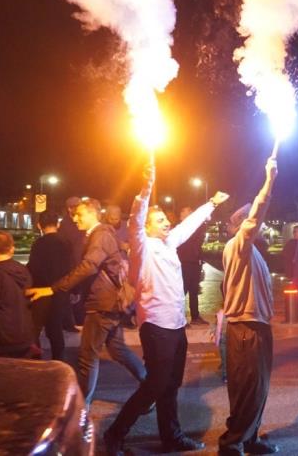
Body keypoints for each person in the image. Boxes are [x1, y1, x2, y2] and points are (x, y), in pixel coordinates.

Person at [104, 162, 227, 455]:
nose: (166, 223)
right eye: (159, 220)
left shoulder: (169, 244)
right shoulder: (142, 245)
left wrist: (210, 203)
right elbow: (135, 218)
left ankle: (171, 437)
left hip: (175, 326)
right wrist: (146, 186)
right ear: (147, 226)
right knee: (154, 385)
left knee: (170, 385)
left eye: (165, 219)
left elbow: (187, 226)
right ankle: (115, 434)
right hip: (156, 327)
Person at [27, 198, 145, 407]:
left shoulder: (99, 235)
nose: (74, 218)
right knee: (118, 350)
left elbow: (89, 266)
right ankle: (150, 387)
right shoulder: (103, 234)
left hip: (102, 303)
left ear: (93, 214)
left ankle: (81, 407)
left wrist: (53, 288)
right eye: (73, 215)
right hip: (110, 301)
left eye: (79, 214)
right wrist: (76, 291)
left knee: (87, 357)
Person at [218, 158, 280, 456]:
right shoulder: (239, 245)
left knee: (258, 388)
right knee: (246, 389)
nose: (263, 228)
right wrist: (269, 180)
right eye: (257, 224)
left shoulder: (252, 250)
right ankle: (232, 444)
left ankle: (250, 437)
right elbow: (254, 216)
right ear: (241, 226)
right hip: (245, 328)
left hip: (258, 326)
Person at [27, 210, 72, 361]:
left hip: (41, 291)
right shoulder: (66, 242)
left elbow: (33, 268)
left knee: (35, 328)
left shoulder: (39, 244)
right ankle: (59, 360)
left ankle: (36, 360)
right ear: (58, 224)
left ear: (39, 225)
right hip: (61, 290)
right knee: (55, 328)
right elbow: (72, 266)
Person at [57, 196, 86, 332]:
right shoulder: (66, 225)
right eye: (76, 206)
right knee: (72, 297)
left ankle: (77, 321)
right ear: (69, 208)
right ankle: (70, 323)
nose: (78, 208)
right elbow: (68, 250)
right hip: (73, 266)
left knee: (79, 297)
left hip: (82, 263)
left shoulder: (78, 222)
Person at [177, 206, 209, 326]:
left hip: (194, 263)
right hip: (184, 263)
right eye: (187, 211)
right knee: (182, 291)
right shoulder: (180, 228)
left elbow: (199, 239)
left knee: (194, 291)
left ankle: (195, 316)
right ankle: (179, 317)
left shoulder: (195, 227)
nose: (182, 213)